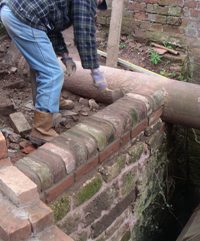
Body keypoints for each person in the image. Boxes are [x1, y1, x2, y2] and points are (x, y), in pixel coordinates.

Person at [0, 0, 108, 145]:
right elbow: (84, 33)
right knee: (52, 73)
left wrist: (65, 56)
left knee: (41, 62)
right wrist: (95, 70)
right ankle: (41, 130)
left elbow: (52, 27)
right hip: (24, 18)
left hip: (15, 12)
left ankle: (52, 99)